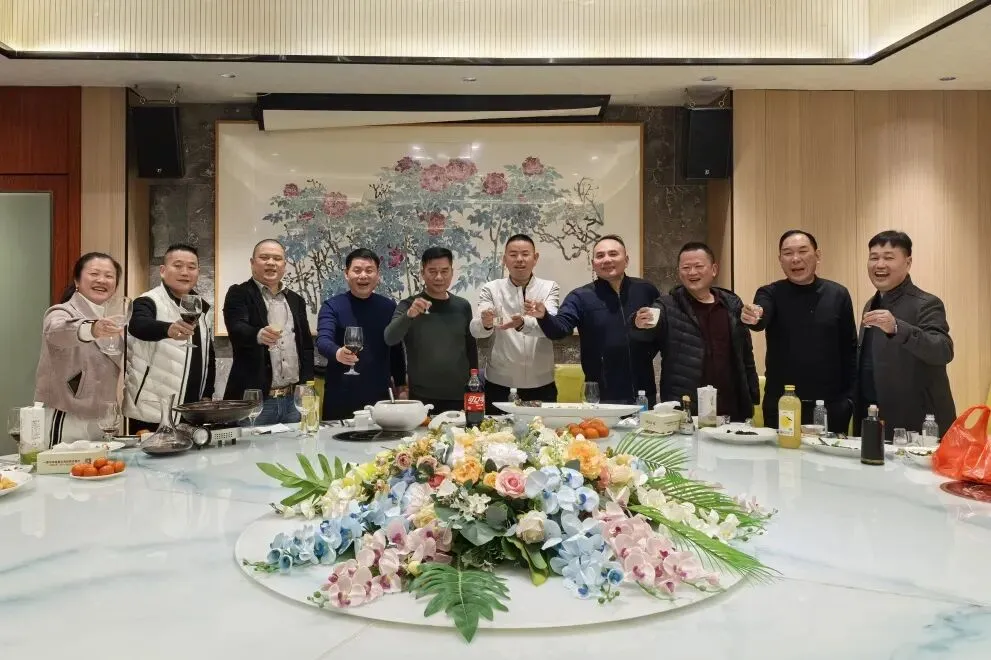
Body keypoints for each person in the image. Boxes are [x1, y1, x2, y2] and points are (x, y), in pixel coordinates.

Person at [741, 230, 857, 434]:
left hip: (830, 406)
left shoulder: (838, 294)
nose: (795, 259)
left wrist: (849, 399)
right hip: (782, 404)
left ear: (817, 255)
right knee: (781, 454)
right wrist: (755, 315)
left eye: (803, 251)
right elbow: (761, 315)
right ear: (780, 259)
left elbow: (850, 349)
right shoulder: (770, 293)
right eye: (787, 253)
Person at [632, 242, 759, 421]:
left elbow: (745, 353)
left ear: (714, 269)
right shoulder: (667, 306)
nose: (692, 272)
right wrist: (637, 323)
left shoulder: (732, 304)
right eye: (686, 268)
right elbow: (643, 335)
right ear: (679, 272)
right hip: (687, 408)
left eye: (699, 266)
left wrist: (752, 394)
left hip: (732, 406)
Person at [529, 234, 660, 406]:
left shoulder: (646, 290)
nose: (606, 260)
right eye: (600, 256)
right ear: (593, 264)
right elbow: (559, 330)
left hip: (644, 391)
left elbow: (660, 331)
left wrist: (647, 354)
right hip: (601, 393)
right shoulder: (580, 297)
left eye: (613, 254)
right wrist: (544, 316)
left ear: (626, 260)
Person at [854, 230, 955, 439]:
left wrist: (897, 327)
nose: (879, 264)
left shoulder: (926, 303)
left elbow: (943, 350)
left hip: (917, 424)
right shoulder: (870, 304)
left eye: (888, 257)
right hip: (873, 417)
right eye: (874, 257)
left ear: (908, 263)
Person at [34, 253, 125, 446]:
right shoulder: (62, 312)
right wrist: (91, 329)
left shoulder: (116, 319)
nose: (102, 280)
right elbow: (57, 330)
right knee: (60, 465)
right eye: (94, 274)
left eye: (109, 276)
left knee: (100, 465)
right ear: (77, 280)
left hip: (103, 419)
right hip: (65, 413)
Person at [124, 243, 216, 433]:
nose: (185, 272)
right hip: (152, 412)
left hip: (192, 412)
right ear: (163, 271)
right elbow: (138, 325)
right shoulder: (148, 301)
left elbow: (208, 356)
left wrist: (207, 395)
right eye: (178, 266)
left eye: (191, 267)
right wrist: (168, 329)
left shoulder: (201, 308)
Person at [223, 239, 314, 424]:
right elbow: (237, 328)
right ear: (252, 263)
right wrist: (258, 335)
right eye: (264, 257)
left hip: (293, 400)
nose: (271, 263)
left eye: (277, 258)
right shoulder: (239, 293)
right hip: (255, 402)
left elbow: (306, 347)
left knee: (295, 444)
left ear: (284, 265)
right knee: (249, 444)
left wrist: (306, 389)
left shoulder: (296, 300)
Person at [469, 235, 560, 413]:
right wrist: (485, 323)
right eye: (513, 255)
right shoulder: (491, 289)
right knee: (496, 429)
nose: (519, 259)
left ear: (535, 258)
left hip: (541, 382)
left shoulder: (549, 287)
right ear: (504, 260)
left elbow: (552, 327)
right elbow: (476, 329)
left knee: (543, 430)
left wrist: (524, 322)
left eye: (525, 254)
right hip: (500, 382)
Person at [316, 248, 407, 421]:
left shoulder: (388, 307)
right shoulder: (332, 306)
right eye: (357, 270)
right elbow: (323, 341)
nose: (363, 276)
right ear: (346, 274)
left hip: (380, 398)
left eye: (369, 270)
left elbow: (396, 349)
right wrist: (338, 353)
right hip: (341, 396)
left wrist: (401, 385)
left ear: (377, 275)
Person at [384, 247, 477, 414]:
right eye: (432, 271)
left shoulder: (463, 306)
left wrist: (474, 386)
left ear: (452, 272)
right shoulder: (408, 305)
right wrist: (409, 315)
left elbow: (471, 347)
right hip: (422, 396)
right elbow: (390, 338)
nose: (439, 277)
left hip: (459, 394)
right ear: (422, 273)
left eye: (444, 271)